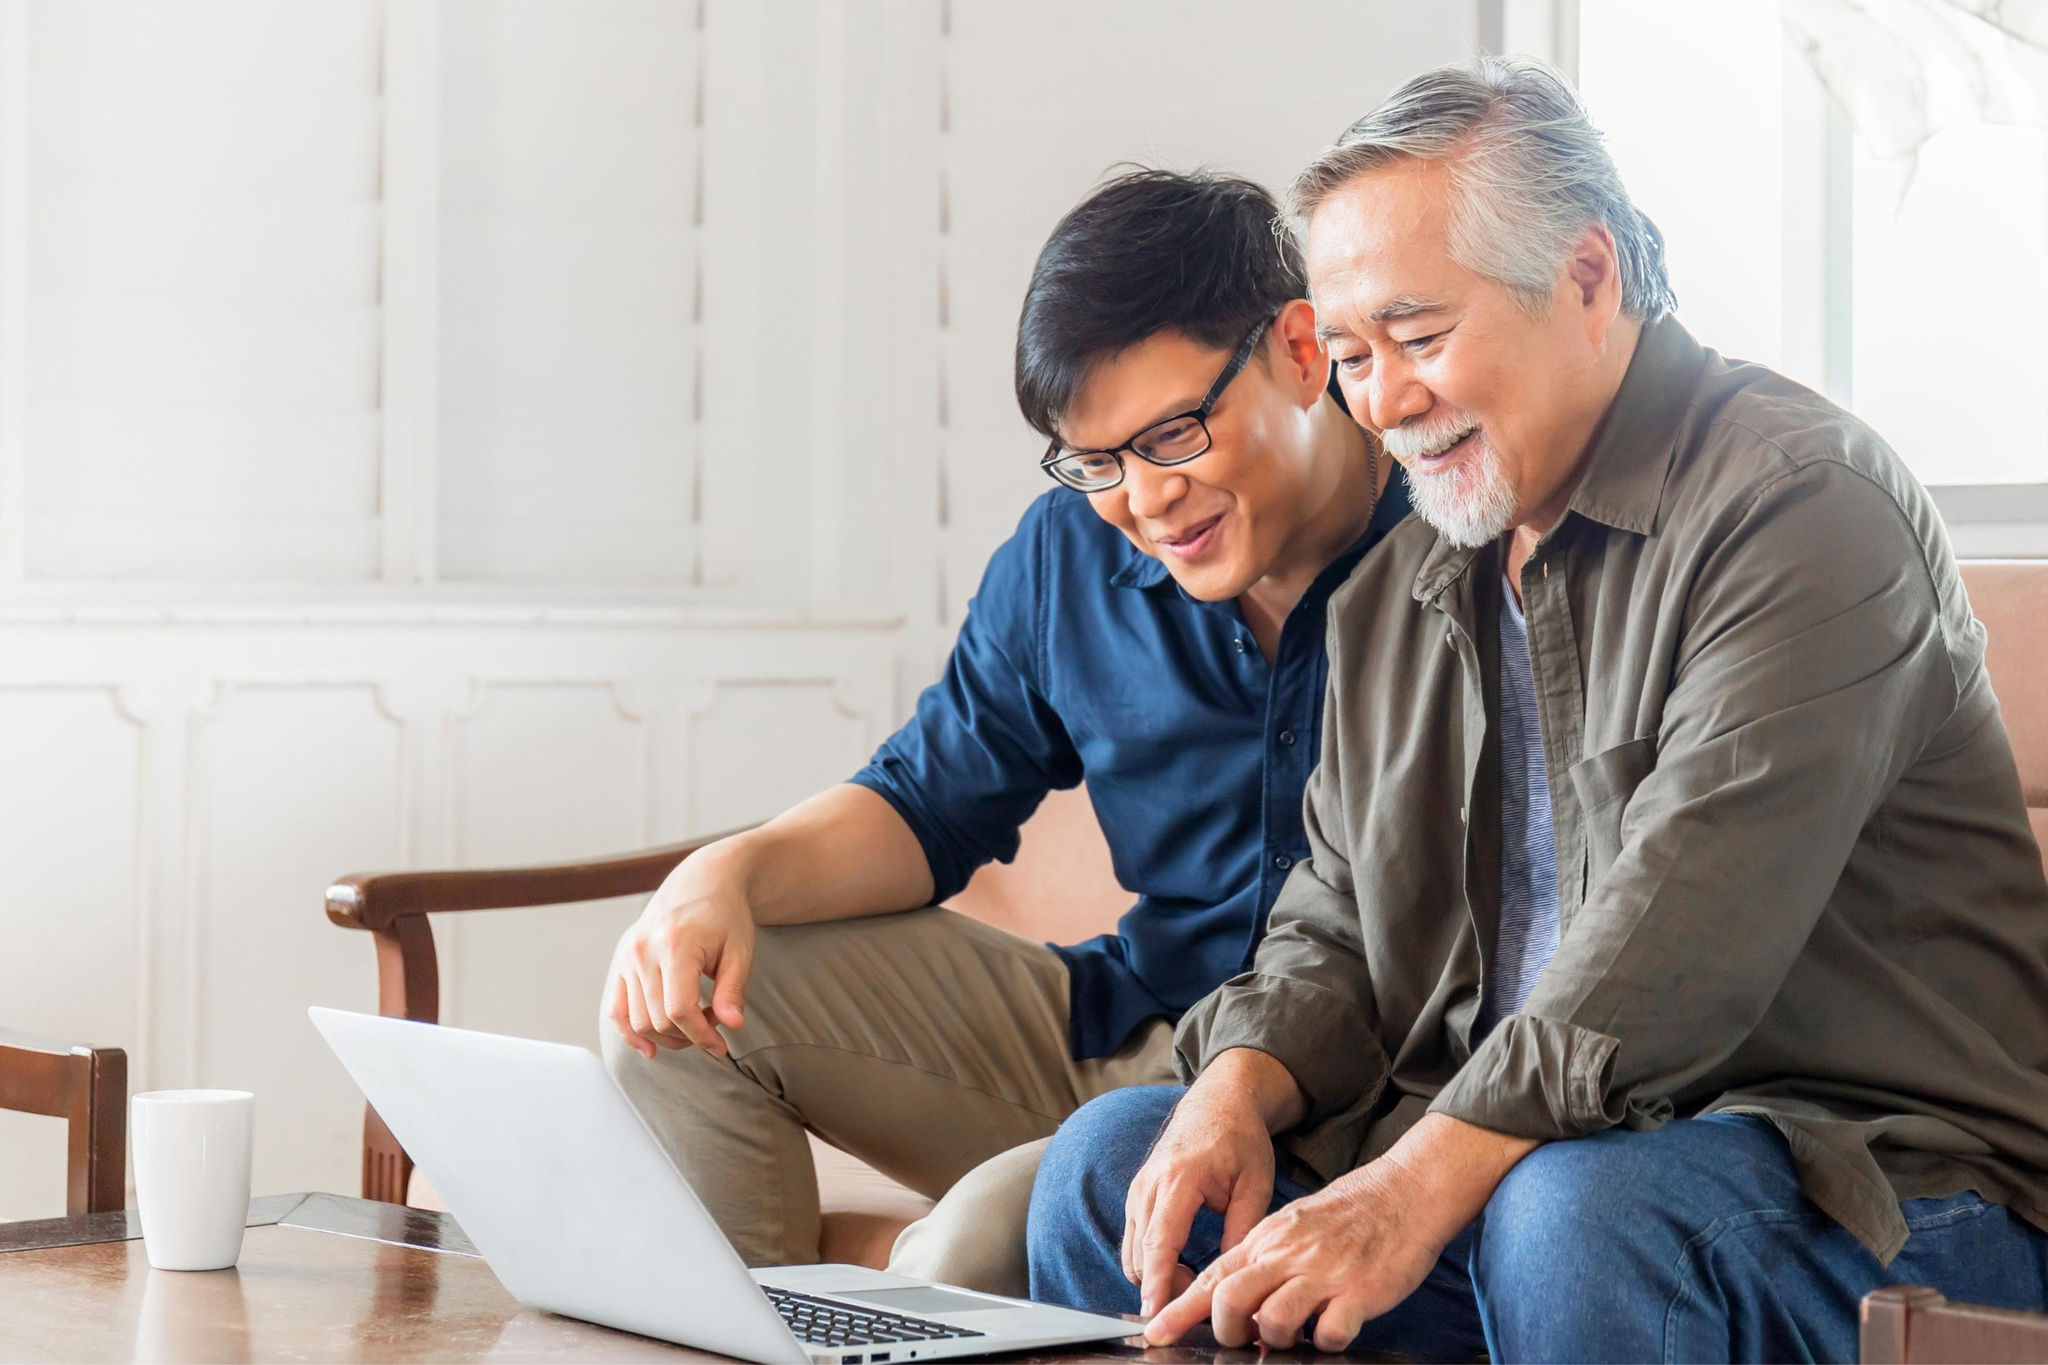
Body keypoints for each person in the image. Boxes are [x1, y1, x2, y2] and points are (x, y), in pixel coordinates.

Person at [1028, 58, 2048, 1361]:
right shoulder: (1394, 586)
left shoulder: (1801, 508)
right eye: (1349, 356)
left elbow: (1680, 937)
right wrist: (1240, 1082)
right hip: (1531, 1172)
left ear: (1586, 279)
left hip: (1873, 1184)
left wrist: (1412, 1189)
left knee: (1570, 1212)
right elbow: (1330, 923)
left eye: (1419, 335)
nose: (1385, 400)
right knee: (1118, 1163)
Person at [598, 168, 1410, 1297]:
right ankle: (745, 1332)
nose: (1144, 500)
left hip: (1348, 1092)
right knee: (677, 1001)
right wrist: (719, 877)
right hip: (1122, 1030)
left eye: (1173, 434)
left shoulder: (1458, 556)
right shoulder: (1068, 557)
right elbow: (926, 807)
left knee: (970, 1243)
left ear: (1298, 350)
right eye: (1097, 463)